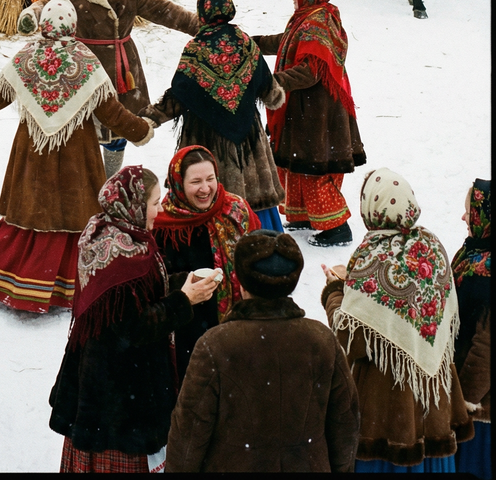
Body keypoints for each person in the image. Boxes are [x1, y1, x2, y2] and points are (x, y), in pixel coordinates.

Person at [0, 0, 155, 313]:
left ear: (43, 24)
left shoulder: (26, 58)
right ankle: (68, 283)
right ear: (73, 25)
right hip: (77, 151)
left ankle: (18, 279)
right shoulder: (85, 60)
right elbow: (111, 112)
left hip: (33, 149)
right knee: (75, 212)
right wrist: (140, 130)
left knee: (31, 210)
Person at [48, 165, 206, 471]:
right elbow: (132, 327)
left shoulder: (111, 230)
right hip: (118, 393)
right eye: (155, 203)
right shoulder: (120, 254)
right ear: (134, 205)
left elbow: (140, 294)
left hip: (100, 380)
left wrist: (183, 281)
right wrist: (184, 301)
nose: (159, 211)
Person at [167, 230, 360, 473]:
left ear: (240, 280)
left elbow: (190, 431)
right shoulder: (321, 340)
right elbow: (345, 424)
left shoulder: (215, 345)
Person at [321, 167, 472, 472]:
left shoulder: (370, 259)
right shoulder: (432, 248)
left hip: (386, 410)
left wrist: (334, 291)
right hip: (433, 405)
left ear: (370, 209)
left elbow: (349, 338)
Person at [19, 0, 202, 177]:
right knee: (83, 127)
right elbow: (49, 3)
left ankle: (110, 177)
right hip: (82, 66)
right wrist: (33, 13)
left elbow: (163, 10)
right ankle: (87, 181)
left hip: (121, 68)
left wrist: (201, 26)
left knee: (117, 129)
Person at [145, 0, 286, 230]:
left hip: (207, 141)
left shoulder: (196, 48)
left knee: (207, 190)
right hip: (248, 141)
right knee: (253, 200)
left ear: (202, 14)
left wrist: (151, 118)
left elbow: (180, 94)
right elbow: (272, 95)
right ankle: (260, 239)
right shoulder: (245, 44)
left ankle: (213, 246)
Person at [253, 0, 365, 247]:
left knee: (316, 166)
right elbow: (284, 42)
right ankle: (304, 216)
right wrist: (249, 44)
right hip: (307, 109)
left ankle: (336, 228)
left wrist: (271, 81)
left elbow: (310, 71)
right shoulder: (309, 17)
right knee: (300, 164)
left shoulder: (318, 24)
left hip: (319, 112)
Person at [152, 146, 260, 377]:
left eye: (210, 179)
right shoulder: (162, 224)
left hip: (239, 323)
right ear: (178, 183)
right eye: (196, 182)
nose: (205, 188)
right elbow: (153, 281)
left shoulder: (236, 209)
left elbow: (259, 254)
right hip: (188, 329)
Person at [451, 179, 491, 476]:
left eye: (469, 212)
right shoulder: (471, 255)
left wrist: (464, 403)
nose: (464, 217)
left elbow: (487, 349)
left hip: (482, 411)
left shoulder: (487, 272)